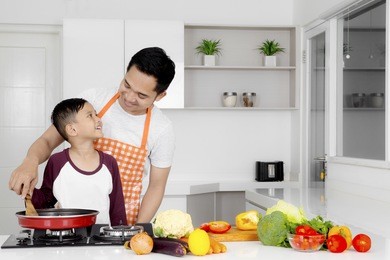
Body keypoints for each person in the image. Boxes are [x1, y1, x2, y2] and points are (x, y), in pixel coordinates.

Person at [9, 47, 176, 225]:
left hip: (123, 223)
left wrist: (138, 229)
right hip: (72, 220)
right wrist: (30, 161)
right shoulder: (93, 101)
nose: (129, 97)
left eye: (141, 95)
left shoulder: (161, 128)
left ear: (160, 96)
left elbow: (156, 186)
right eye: (127, 85)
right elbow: (48, 140)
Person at [31, 98, 127, 226]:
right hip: (65, 238)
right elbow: (46, 201)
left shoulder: (109, 163)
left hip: (101, 240)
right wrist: (29, 191)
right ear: (72, 130)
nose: (98, 119)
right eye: (90, 116)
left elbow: (117, 207)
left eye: (96, 114)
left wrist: (121, 237)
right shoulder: (57, 162)